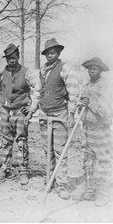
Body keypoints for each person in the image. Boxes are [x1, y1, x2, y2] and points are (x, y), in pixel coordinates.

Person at [38, 38, 79, 199]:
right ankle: (50, 179)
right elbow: (38, 91)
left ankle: (61, 184)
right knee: (47, 149)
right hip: (44, 114)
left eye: (53, 52)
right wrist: (33, 111)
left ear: (58, 53)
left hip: (60, 114)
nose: (50, 55)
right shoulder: (43, 70)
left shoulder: (65, 68)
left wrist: (71, 114)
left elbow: (74, 91)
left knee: (60, 150)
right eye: (48, 53)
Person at [0, 43, 40, 185]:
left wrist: (31, 108)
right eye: (8, 58)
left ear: (18, 57)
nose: (11, 60)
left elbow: (38, 88)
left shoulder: (27, 72)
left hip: (20, 112)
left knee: (21, 141)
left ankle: (23, 170)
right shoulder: (1, 73)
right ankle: (5, 167)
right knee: (5, 141)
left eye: (14, 57)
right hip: (6, 112)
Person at [79, 57, 113, 206]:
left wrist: (91, 102)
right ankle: (90, 189)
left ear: (100, 70)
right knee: (87, 161)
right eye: (90, 68)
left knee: (104, 162)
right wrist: (82, 103)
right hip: (87, 128)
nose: (92, 71)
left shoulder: (105, 86)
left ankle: (105, 194)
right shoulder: (87, 85)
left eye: (95, 68)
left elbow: (105, 111)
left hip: (100, 129)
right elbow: (82, 103)